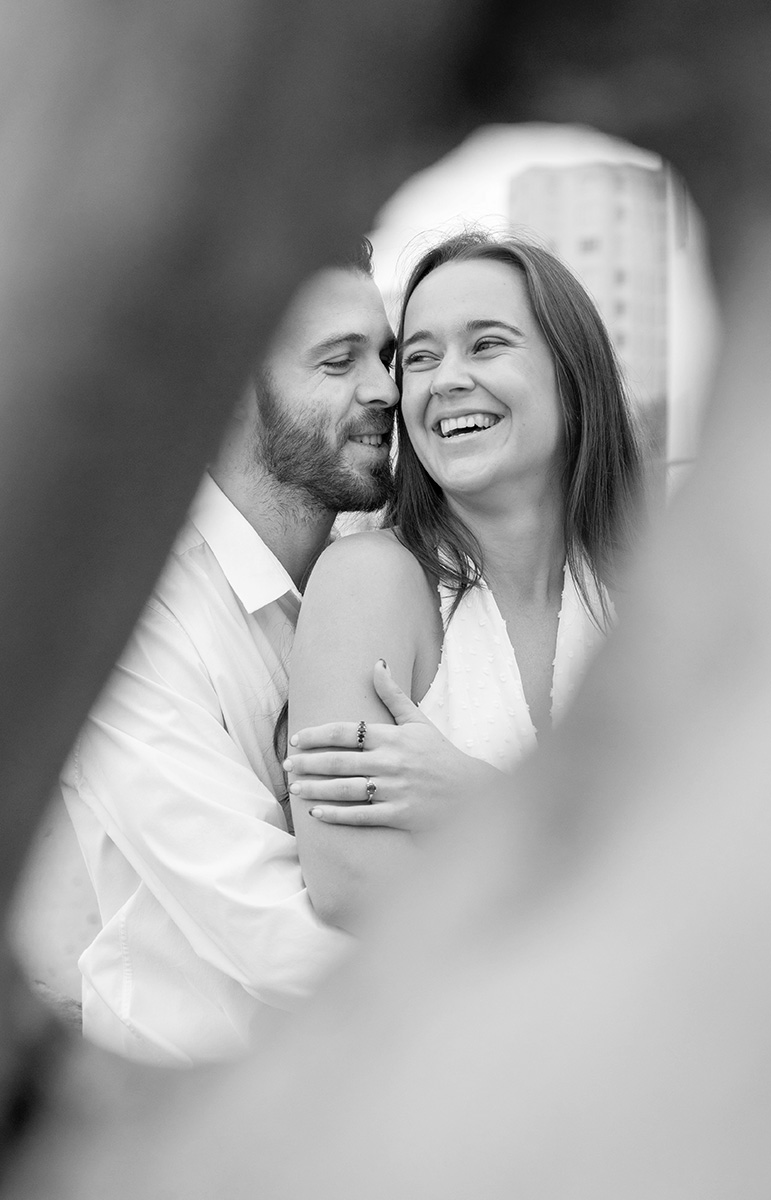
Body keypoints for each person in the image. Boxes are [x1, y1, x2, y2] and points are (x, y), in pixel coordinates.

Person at [59, 239, 400, 1065]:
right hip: (177, 1113)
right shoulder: (132, 614)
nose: (388, 389)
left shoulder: (385, 573)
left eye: (386, 354)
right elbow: (268, 928)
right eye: (338, 361)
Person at [285, 230, 643, 932]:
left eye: (486, 344)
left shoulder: (648, 591)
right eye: (420, 358)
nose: (446, 379)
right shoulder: (372, 582)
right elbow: (350, 884)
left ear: (573, 373)